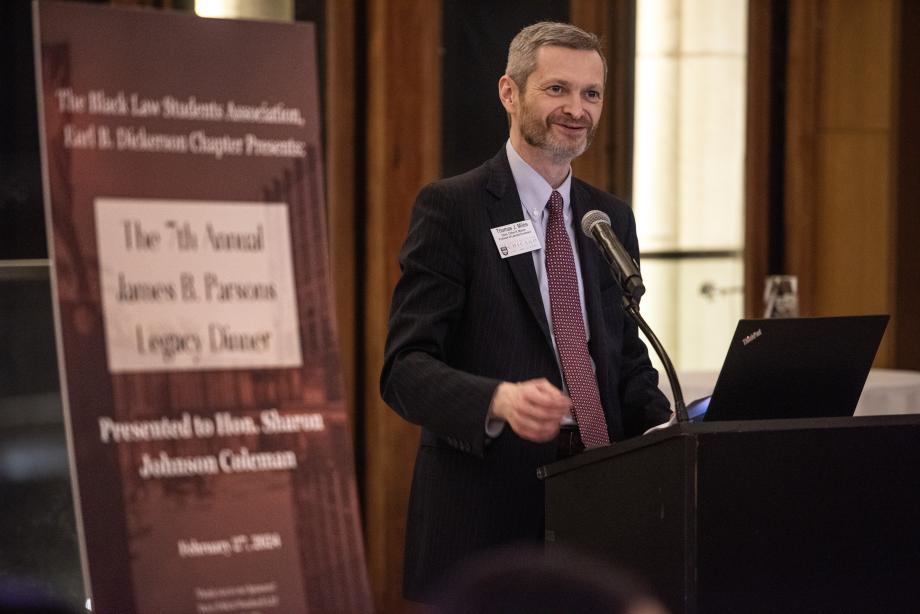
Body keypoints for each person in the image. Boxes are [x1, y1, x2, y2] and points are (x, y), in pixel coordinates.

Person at [380, 21, 671, 601]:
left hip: (596, 503)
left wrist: (672, 427)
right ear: (509, 93)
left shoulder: (606, 218)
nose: (577, 109)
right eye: (557, 89)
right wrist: (498, 399)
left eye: (591, 94)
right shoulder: (453, 208)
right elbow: (404, 369)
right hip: (488, 513)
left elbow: (620, 354)